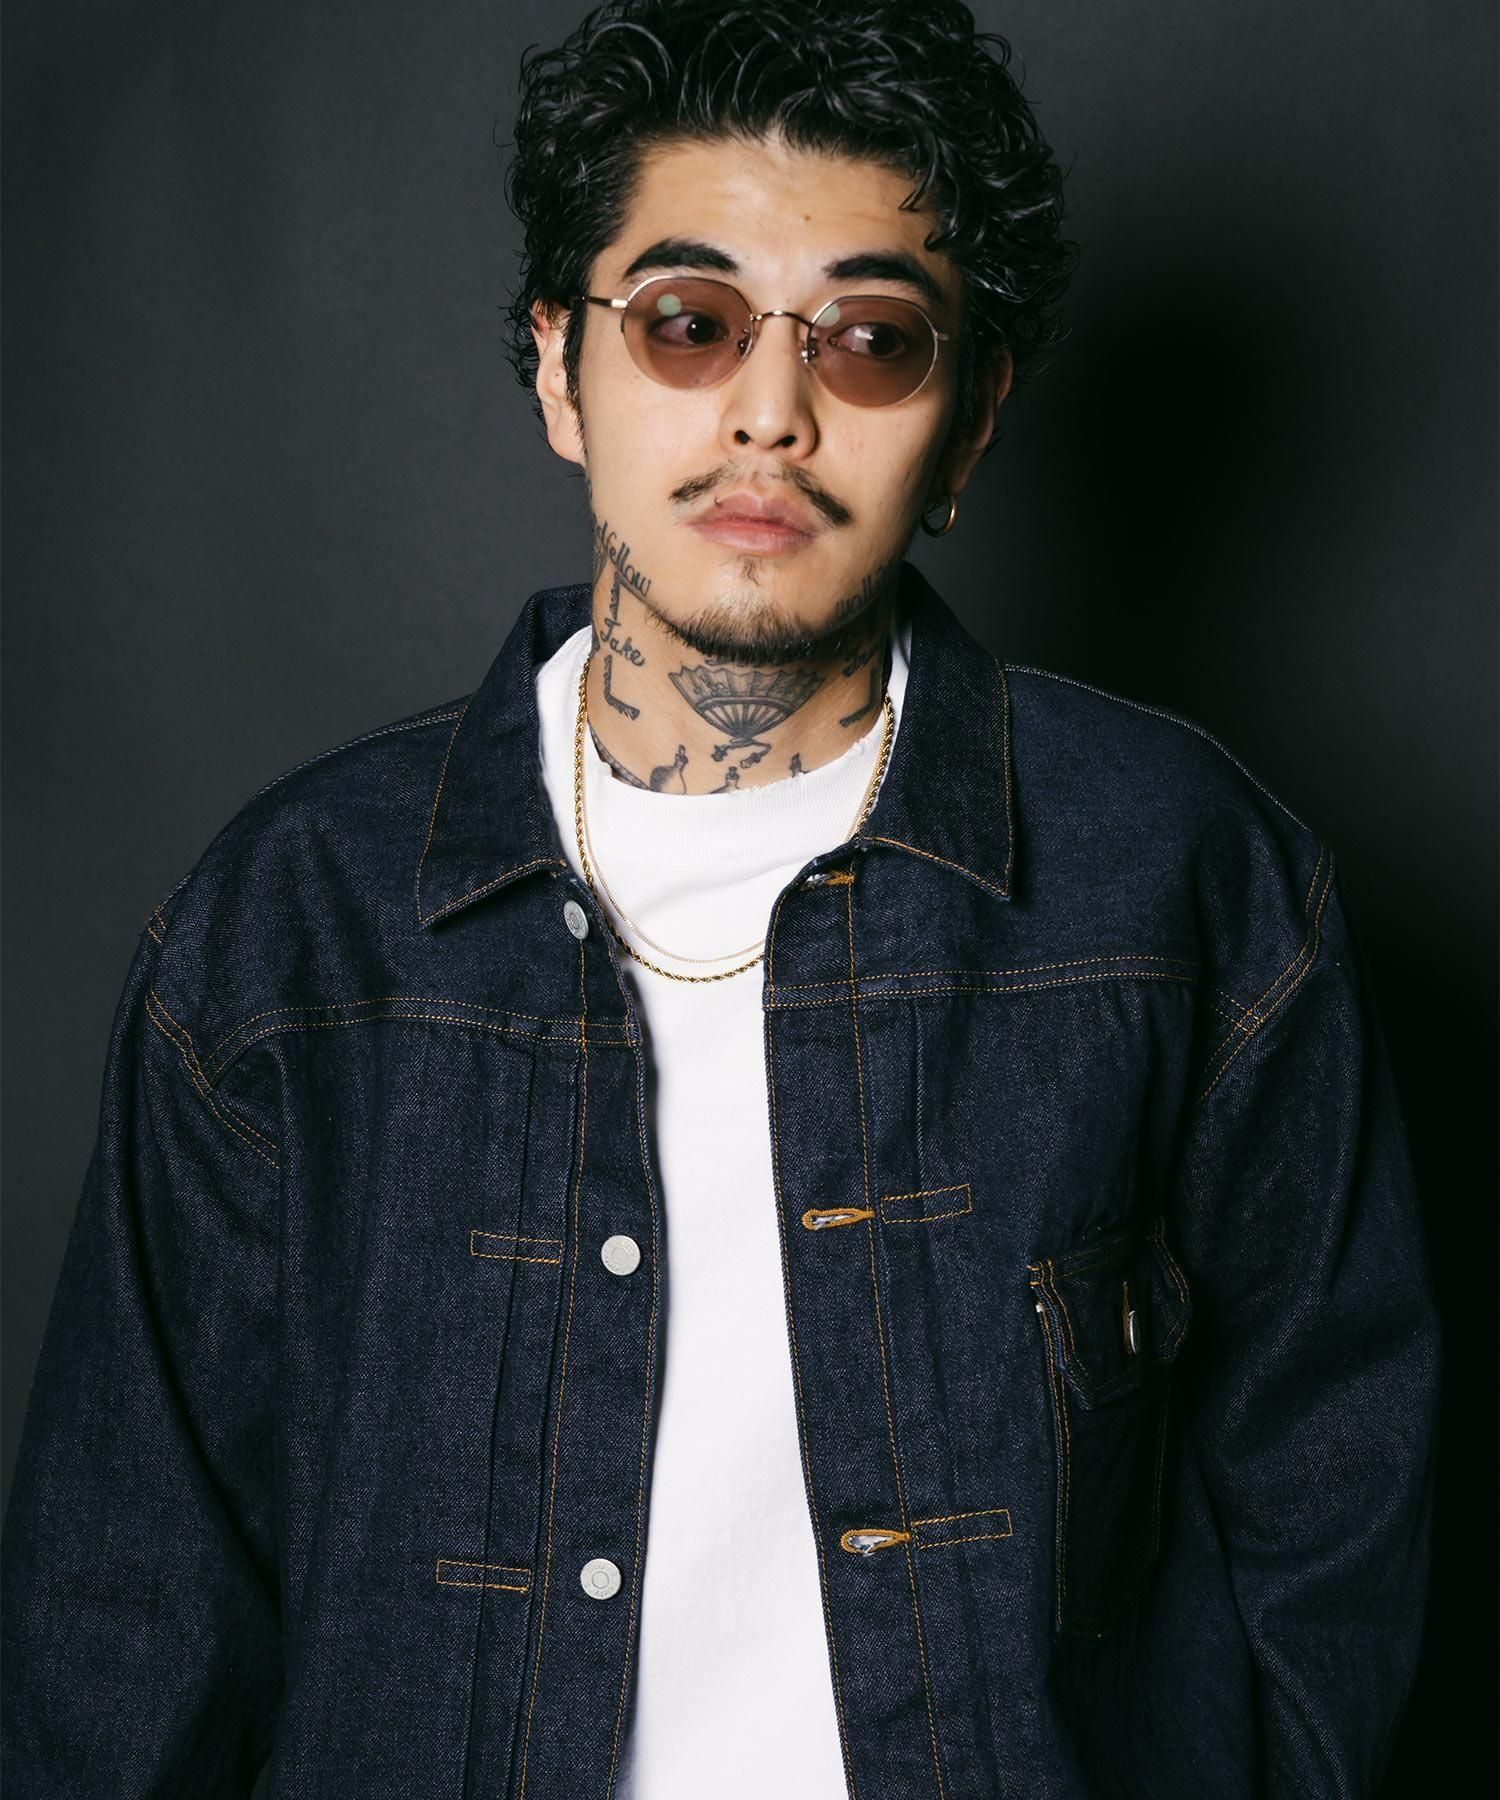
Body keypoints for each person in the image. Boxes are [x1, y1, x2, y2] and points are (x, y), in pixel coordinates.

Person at [2, 1, 1441, 1795]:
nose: (770, 411)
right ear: (560, 368)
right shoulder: (293, 929)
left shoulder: (1183, 882)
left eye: (871, 341)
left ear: (971, 419)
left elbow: (1335, 1518)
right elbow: (125, 1622)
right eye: (688, 323)